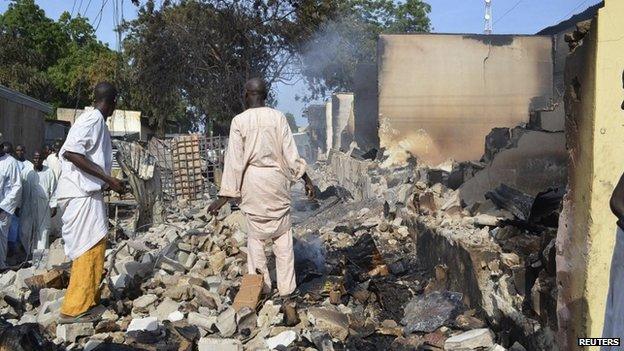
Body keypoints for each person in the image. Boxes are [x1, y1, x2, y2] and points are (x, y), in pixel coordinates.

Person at [208, 78, 315, 298]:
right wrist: (306, 179)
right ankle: (287, 290)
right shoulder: (278, 118)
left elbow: (235, 161)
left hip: (253, 183)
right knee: (283, 237)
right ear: (266, 95)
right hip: (276, 181)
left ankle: (262, 287)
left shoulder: (239, 121)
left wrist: (225, 196)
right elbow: (291, 155)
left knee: (255, 239)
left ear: (247, 95)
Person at [56, 82, 125, 323]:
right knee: (89, 247)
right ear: (113, 103)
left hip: (86, 194)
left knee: (95, 244)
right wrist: (108, 178)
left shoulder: (95, 122)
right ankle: (75, 308)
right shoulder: (92, 120)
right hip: (81, 195)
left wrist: (107, 182)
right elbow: (72, 153)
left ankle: (88, 300)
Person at [20, 150, 57, 260]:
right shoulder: (26, 172)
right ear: (33, 159)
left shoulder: (49, 172)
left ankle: (40, 258)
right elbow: (20, 190)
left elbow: (54, 190)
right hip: (28, 205)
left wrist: (53, 205)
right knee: (25, 230)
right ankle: (30, 253)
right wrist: (18, 206)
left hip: (43, 205)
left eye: (39, 158)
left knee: (43, 231)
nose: (37, 160)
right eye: (35, 158)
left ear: (42, 159)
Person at [0, 139, 22, 269]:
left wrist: (2, 206)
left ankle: (1, 266)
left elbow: (16, 187)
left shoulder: (11, 162)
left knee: (1, 237)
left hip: (3, 209)